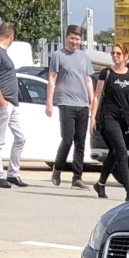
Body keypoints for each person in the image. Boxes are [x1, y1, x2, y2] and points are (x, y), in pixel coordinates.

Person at [90, 41, 129, 200]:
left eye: (118, 53)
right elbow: (96, 96)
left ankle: (100, 184)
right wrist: (92, 118)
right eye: (113, 53)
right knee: (121, 151)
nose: (115, 56)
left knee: (114, 153)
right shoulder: (106, 74)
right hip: (109, 117)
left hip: (124, 119)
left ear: (126, 56)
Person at [45, 25, 94, 188]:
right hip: (66, 102)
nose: (75, 42)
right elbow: (52, 79)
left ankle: (77, 177)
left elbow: (88, 80)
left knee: (80, 141)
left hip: (82, 103)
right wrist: (49, 102)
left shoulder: (84, 57)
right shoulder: (58, 56)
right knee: (67, 139)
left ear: (81, 40)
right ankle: (58, 168)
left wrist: (92, 101)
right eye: (72, 38)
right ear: (66, 37)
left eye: (77, 39)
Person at [0, 22, 24, 187]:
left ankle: (13, 173)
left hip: (11, 102)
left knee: (21, 138)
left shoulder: (2, 53)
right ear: (11, 36)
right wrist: (0, 99)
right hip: (3, 102)